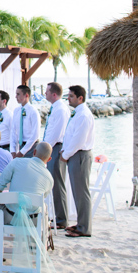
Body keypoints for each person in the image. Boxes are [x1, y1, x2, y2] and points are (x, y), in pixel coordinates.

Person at [61, 84, 95, 238]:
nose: (68, 98)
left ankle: (84, 227)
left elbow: (79, 140)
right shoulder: (77, 113)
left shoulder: (83, 115)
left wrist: (65, 155)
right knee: (77, 191)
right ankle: (81, 223)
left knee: (82, 192)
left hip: (80, 155)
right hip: (75, 154)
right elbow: (71, 136)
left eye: (71, 96)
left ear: (80, 98)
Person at [43, 82, 71, 229]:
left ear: (54, 94)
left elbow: (56, 132)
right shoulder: (55, 108)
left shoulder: (60, 109)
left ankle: (62, 219)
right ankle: (58, 217)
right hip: (51, 147)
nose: (45, 94)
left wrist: (45, 148)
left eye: (47, 92)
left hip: (55, 147)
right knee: (53, 183)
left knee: (57, 184)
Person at [10, 84, 40, 158]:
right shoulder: (16, 111)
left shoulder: (33, 111)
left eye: (18, 94)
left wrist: (23, 151)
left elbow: (35, 134)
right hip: (20, 145)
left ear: (26, 95)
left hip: (31, 146)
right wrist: (13, 150)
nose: (16, 96)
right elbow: (13, 131)